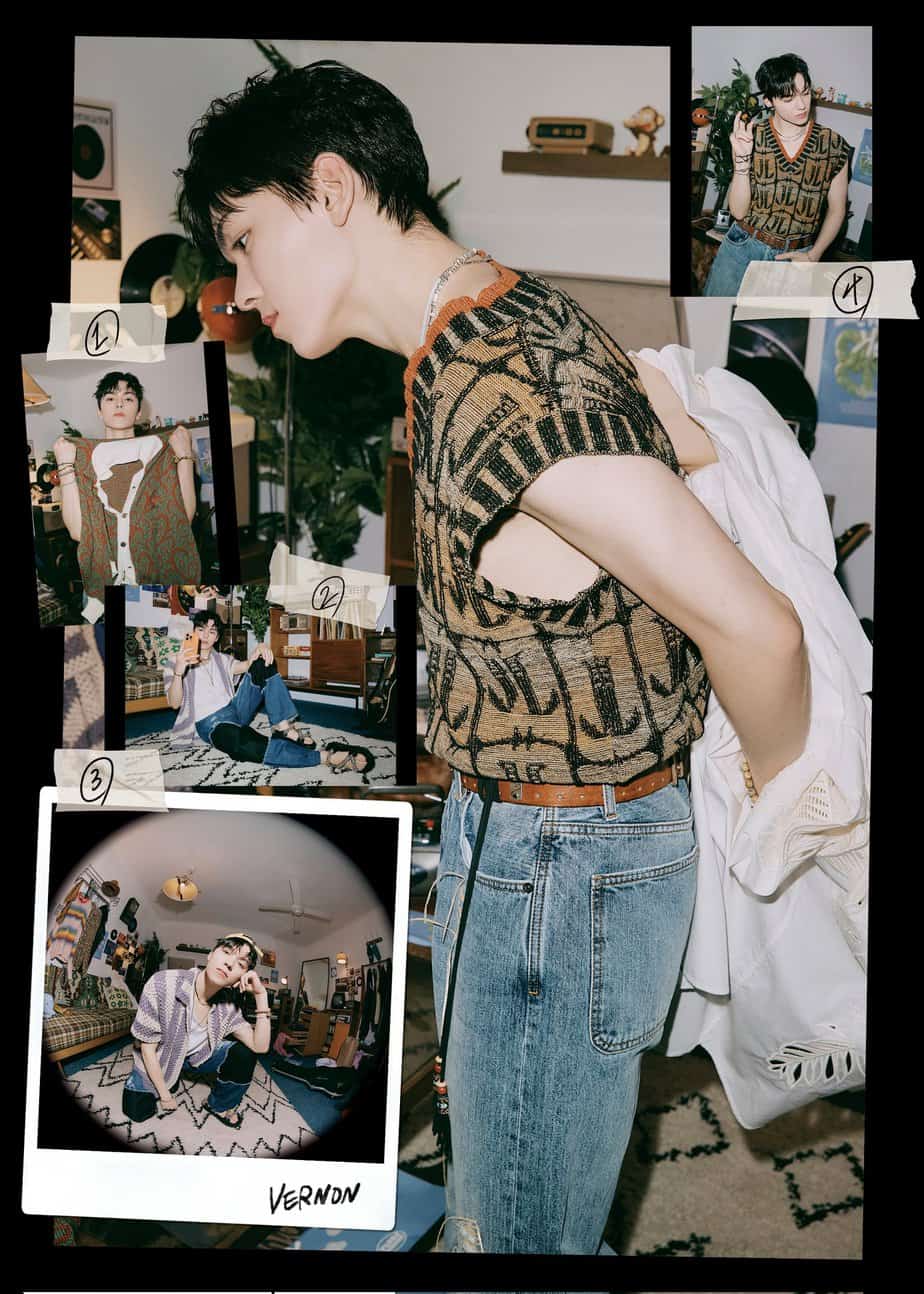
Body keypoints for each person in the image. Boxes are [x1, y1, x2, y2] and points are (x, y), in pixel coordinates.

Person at [176, 59, 810, 1254]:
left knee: (517, 1239)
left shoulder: (494, 379)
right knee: (517, 1194)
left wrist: (777, 820)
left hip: (560, 865)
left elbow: (759, 628)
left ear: (330, 188)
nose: (242, 288)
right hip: (542, 841)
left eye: (246, 240)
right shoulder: (494, 316)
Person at [52, 372, 201, 620]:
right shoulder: (81, 459)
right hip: (101, 592)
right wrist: (65, 467)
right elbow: (78, 532)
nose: (119, 403)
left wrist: (185, 457)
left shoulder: (161, 454)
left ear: (139, 411)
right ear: (99, 411)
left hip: (154, 583)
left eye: (128, 398)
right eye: (110, 398)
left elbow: (182, 520)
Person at [703, 53, 850, 296]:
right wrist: (741, 159)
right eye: (788, 98)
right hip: (742, 248)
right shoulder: (752, 137)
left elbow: (837, 210)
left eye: (805, 92)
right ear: (769, 101)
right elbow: (738, 211)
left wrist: (814, 255)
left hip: (795, 259)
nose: (801, 105)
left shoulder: (834, 146)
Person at [166, 608, 375, 777]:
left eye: (212, 631)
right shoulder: (177, 660)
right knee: (242, 745)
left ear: (217, 637)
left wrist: (260, 649)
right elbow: (174, 703)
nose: (205, 635)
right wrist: (178, 672)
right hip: (212, 725)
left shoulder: (222, 659)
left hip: (235, 710)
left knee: (262, 662)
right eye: (201, 629)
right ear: (193, 632)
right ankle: (324, 757)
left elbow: (247, 666)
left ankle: (282, 726)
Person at [123, 933, 269, 1129]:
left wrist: (261, 995)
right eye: (226, 952)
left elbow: (260, 1046)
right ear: (210, 955)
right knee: (137, 1112)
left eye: (241, 964)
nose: (229, 963)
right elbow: (147, 1050)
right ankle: (170, 1077)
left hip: (196, 1057)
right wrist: (165, 1095)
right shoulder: (162, 983)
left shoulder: (229, 1007)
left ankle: (217, 1105)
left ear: (240, 979)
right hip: (161, 1055)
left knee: (244, 1054)